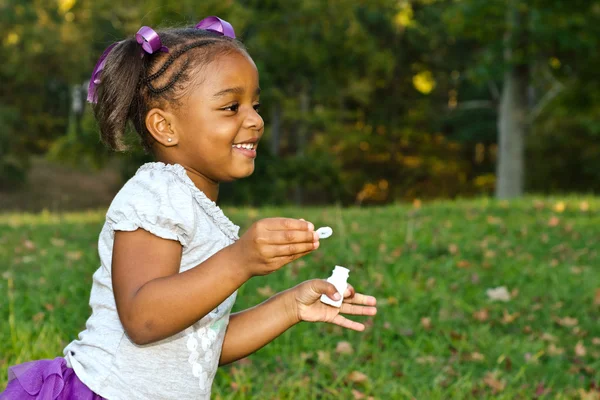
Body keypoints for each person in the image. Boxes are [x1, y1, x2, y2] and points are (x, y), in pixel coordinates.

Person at [0, 16, 377, 400]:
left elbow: (201, 347)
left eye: (255, 104)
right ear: (165, 127)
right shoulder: (157, 193)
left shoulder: (198, 207)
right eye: (232, 107)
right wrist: (240, 260)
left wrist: (290, 306)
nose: (256, 120)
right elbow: (144, 318)